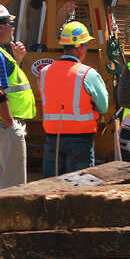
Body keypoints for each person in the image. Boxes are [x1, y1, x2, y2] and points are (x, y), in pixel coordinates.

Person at [0, 3, 36, 190]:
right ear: (0, 27)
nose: (12, 27)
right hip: (4, 125)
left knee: (4, 180)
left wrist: (18, 59)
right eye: (10, 23)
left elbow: (6, 86)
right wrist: (12, 125)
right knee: (13, 184)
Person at [38, 22, 109, 177]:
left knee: (51, 188)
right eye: (85, 45)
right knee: (78, 190)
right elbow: (103, 107)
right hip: (80, 141)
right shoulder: (88, 74)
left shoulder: (45, 72)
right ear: (79, 47)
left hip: (53, 139)